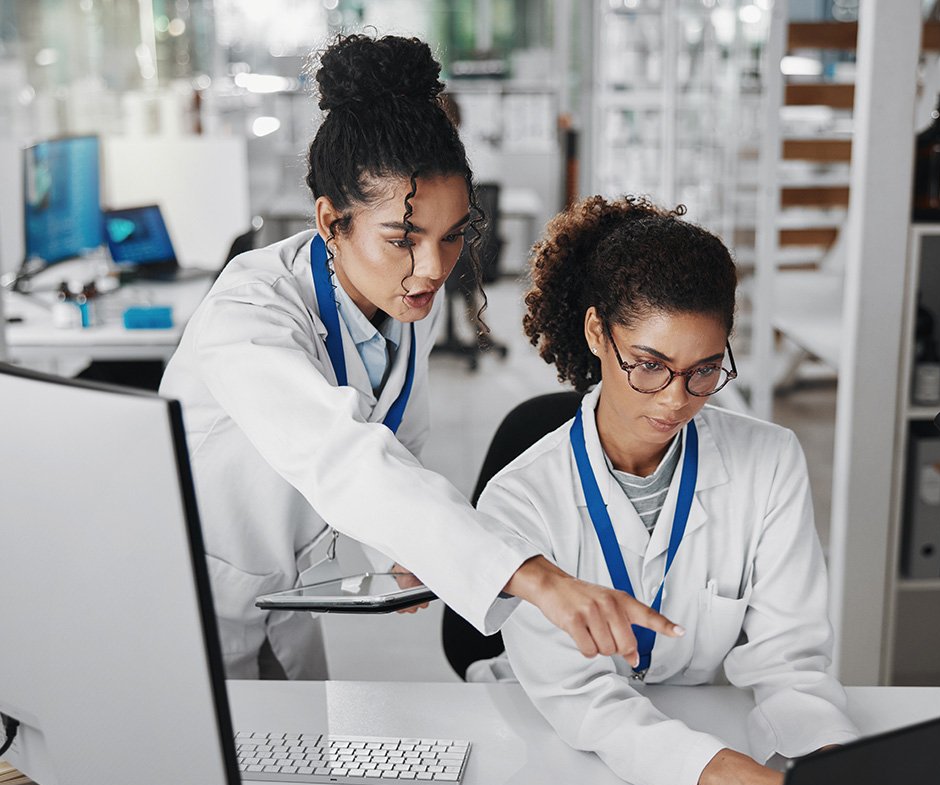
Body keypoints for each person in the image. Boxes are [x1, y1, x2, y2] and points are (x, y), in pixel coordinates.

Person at [158, 34, 681, 679]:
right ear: (330, 222)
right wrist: (531, 575)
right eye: (403, 238)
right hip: (182, 595)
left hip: (278, 595)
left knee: (293, 763)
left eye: (453, 235)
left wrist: (400, 547)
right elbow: (341, 454)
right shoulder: (249, 314)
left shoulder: (399, 302)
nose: (432, 268)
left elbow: (397, 440)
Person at [476, 196, 858, 785]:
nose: (678, 401)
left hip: (709, 724)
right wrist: (733, 775)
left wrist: (830, 765)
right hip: (557, 753)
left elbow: (789, 658)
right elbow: (584, 700)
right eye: (650, 366)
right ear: (598, 334)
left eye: (705, 370)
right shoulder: (521, 499)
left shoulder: (769, 461)